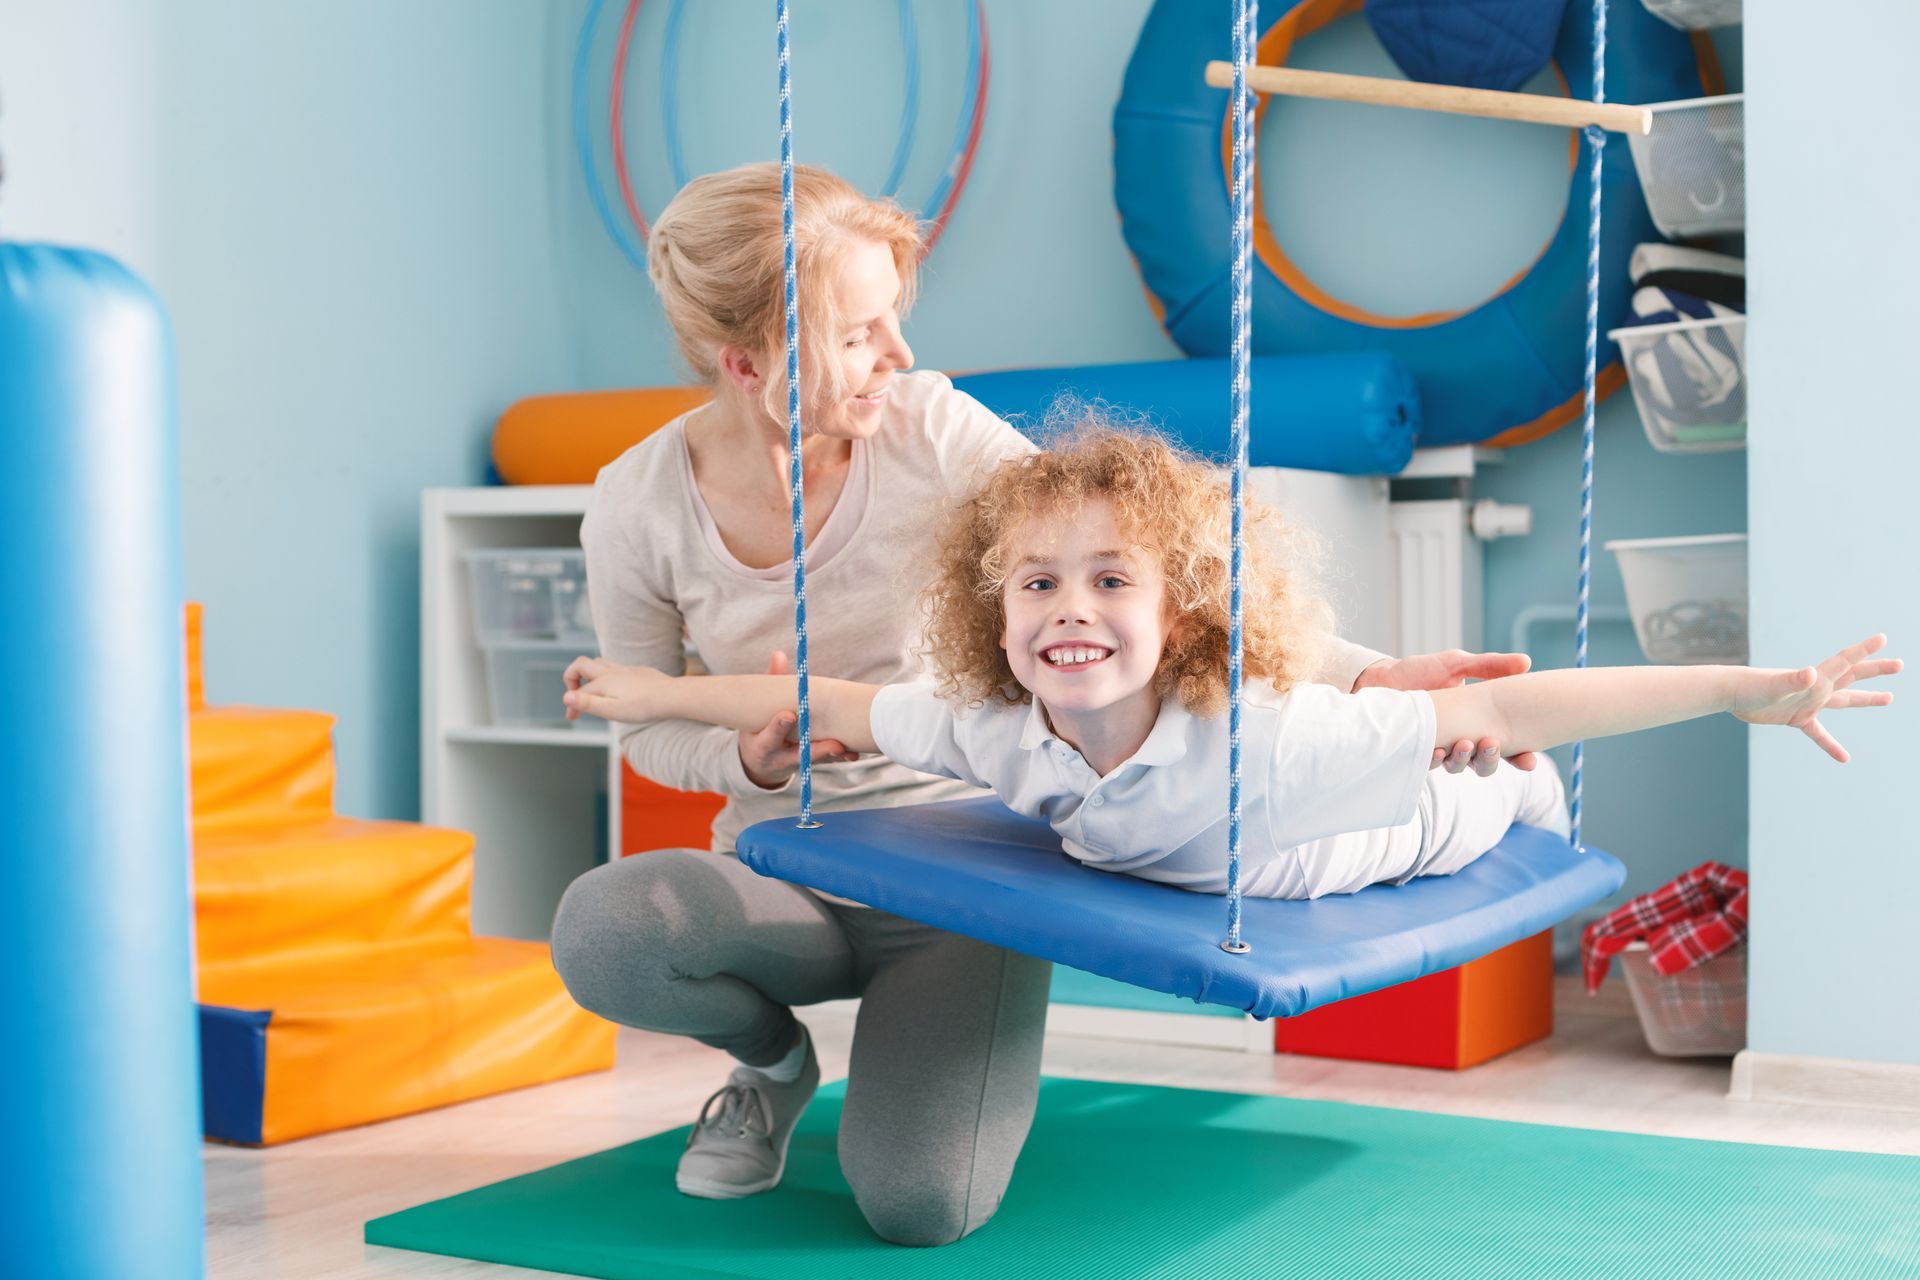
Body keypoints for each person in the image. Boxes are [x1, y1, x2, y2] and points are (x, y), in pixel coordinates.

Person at [548, 162, 1551, 1247]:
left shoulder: (927, 427)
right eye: (860, 335)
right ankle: (773, 1062)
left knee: (918, 1204)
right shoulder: (637, 504)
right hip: (777, 871)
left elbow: (1141, 567)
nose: (900, 356)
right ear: (747, 363)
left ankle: (916, 1052)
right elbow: (645, 721)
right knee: (608, 929)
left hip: (960, 886)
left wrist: (1362, 674)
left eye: (897, 319)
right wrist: (743, 765)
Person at [563, 424, 1900, 902]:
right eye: (1036, 584)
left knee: (1482, 769)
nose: (1065, 612)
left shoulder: (1277, 747)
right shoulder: (996, 727)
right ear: (994, 612)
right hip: (1236, 805)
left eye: (1108, 582)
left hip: (1333, 840)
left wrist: (1747, 691)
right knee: (1437, 726)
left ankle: (1514, 795)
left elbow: (1517, 697)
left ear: (1185, 613)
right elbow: (829, 700)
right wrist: (661, 691)